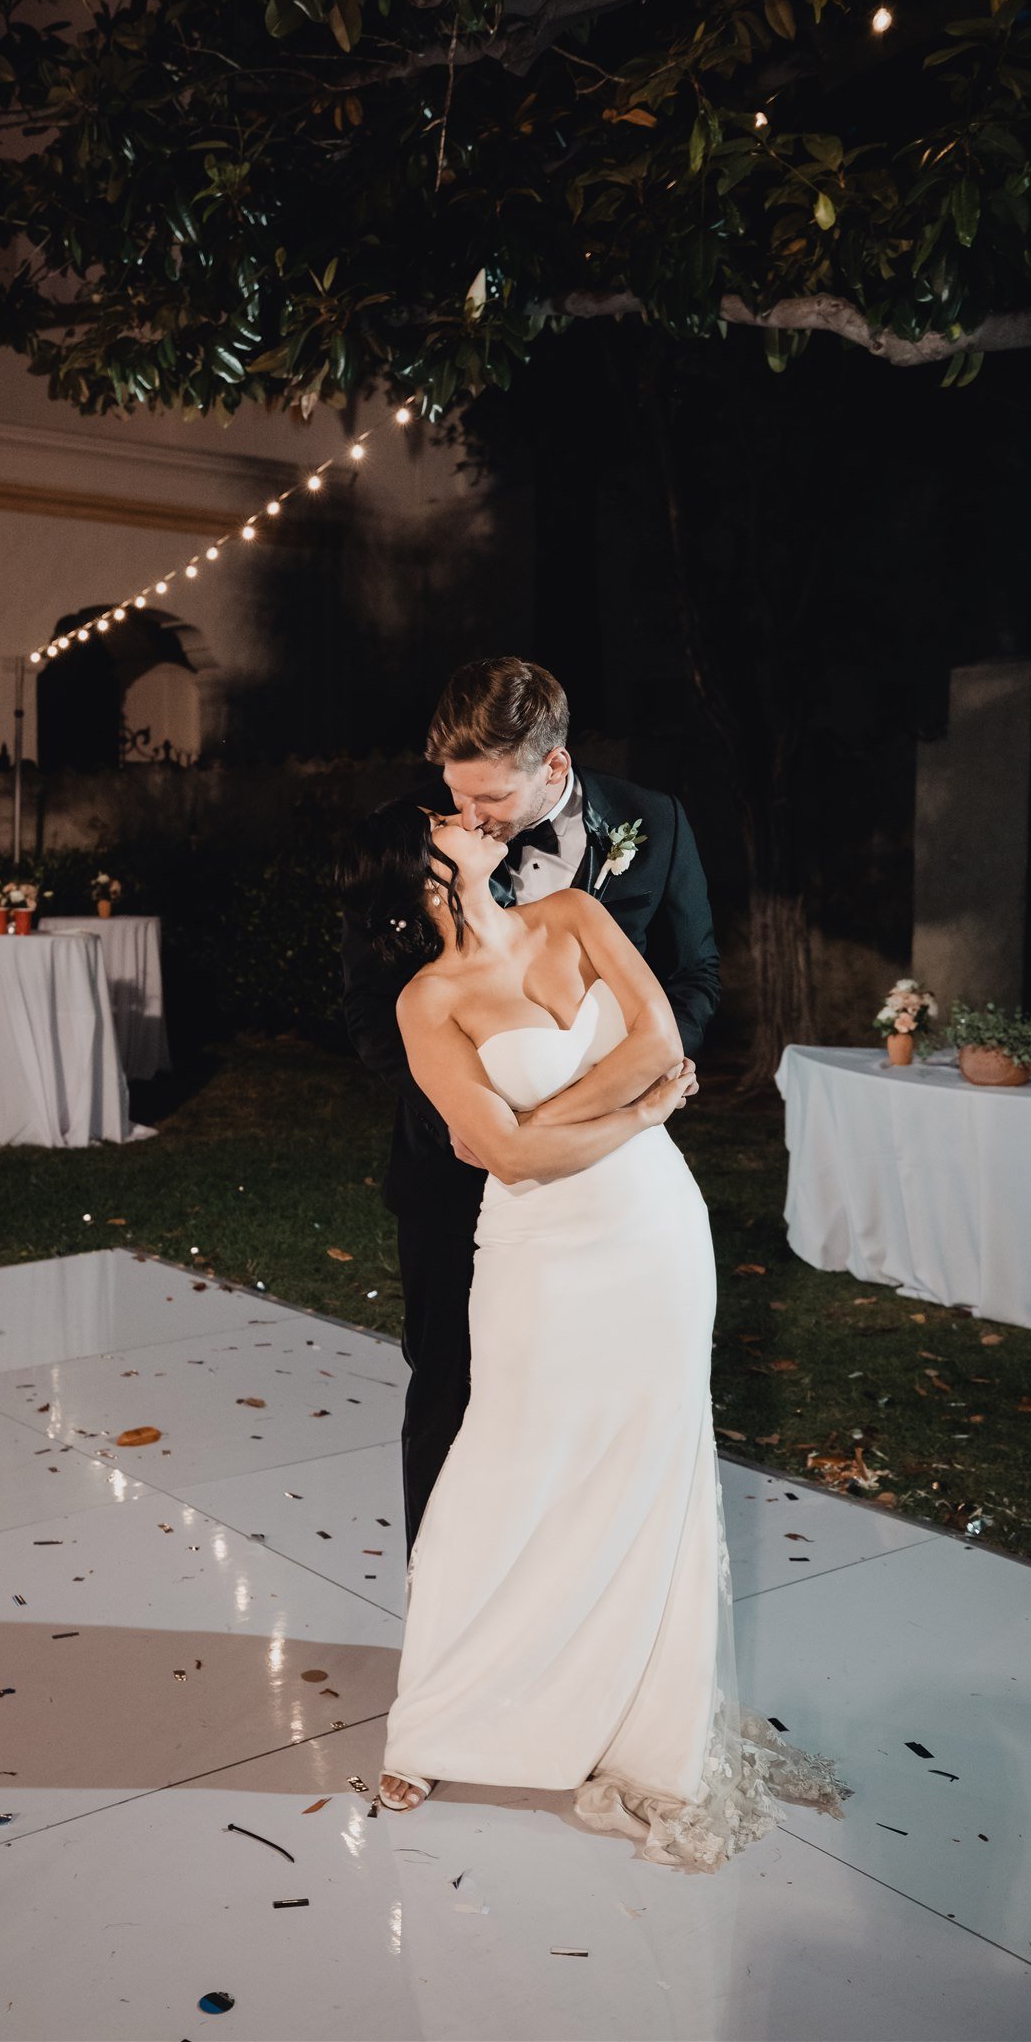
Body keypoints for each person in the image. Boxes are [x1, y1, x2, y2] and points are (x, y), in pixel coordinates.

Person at [335, 801, 851, 1866]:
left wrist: (546, 1121)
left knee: (649, 1463)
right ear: (431, 877)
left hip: (655, 1233)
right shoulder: (427, 1000)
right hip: (542, 1256)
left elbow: (662, 1035)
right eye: (451, 823)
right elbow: (508, 1159)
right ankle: (442, 1716)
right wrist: (639, 1112)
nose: (474, 816)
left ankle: (633, 1719)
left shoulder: (576, 912)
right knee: (508, 1467)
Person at [341, 657, 721, 1558]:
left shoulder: (652, 823)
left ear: (552, 768)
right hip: (454, 1169)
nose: (469, 816)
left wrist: (621, 1099)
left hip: (614, 1180)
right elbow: (370, 1014)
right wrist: (473, 1122)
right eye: (454, 794)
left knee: (608, 1396)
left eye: (490, 799)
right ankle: (442, 1613)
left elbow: (692, 974)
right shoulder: (412, 846)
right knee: (452, 1389)